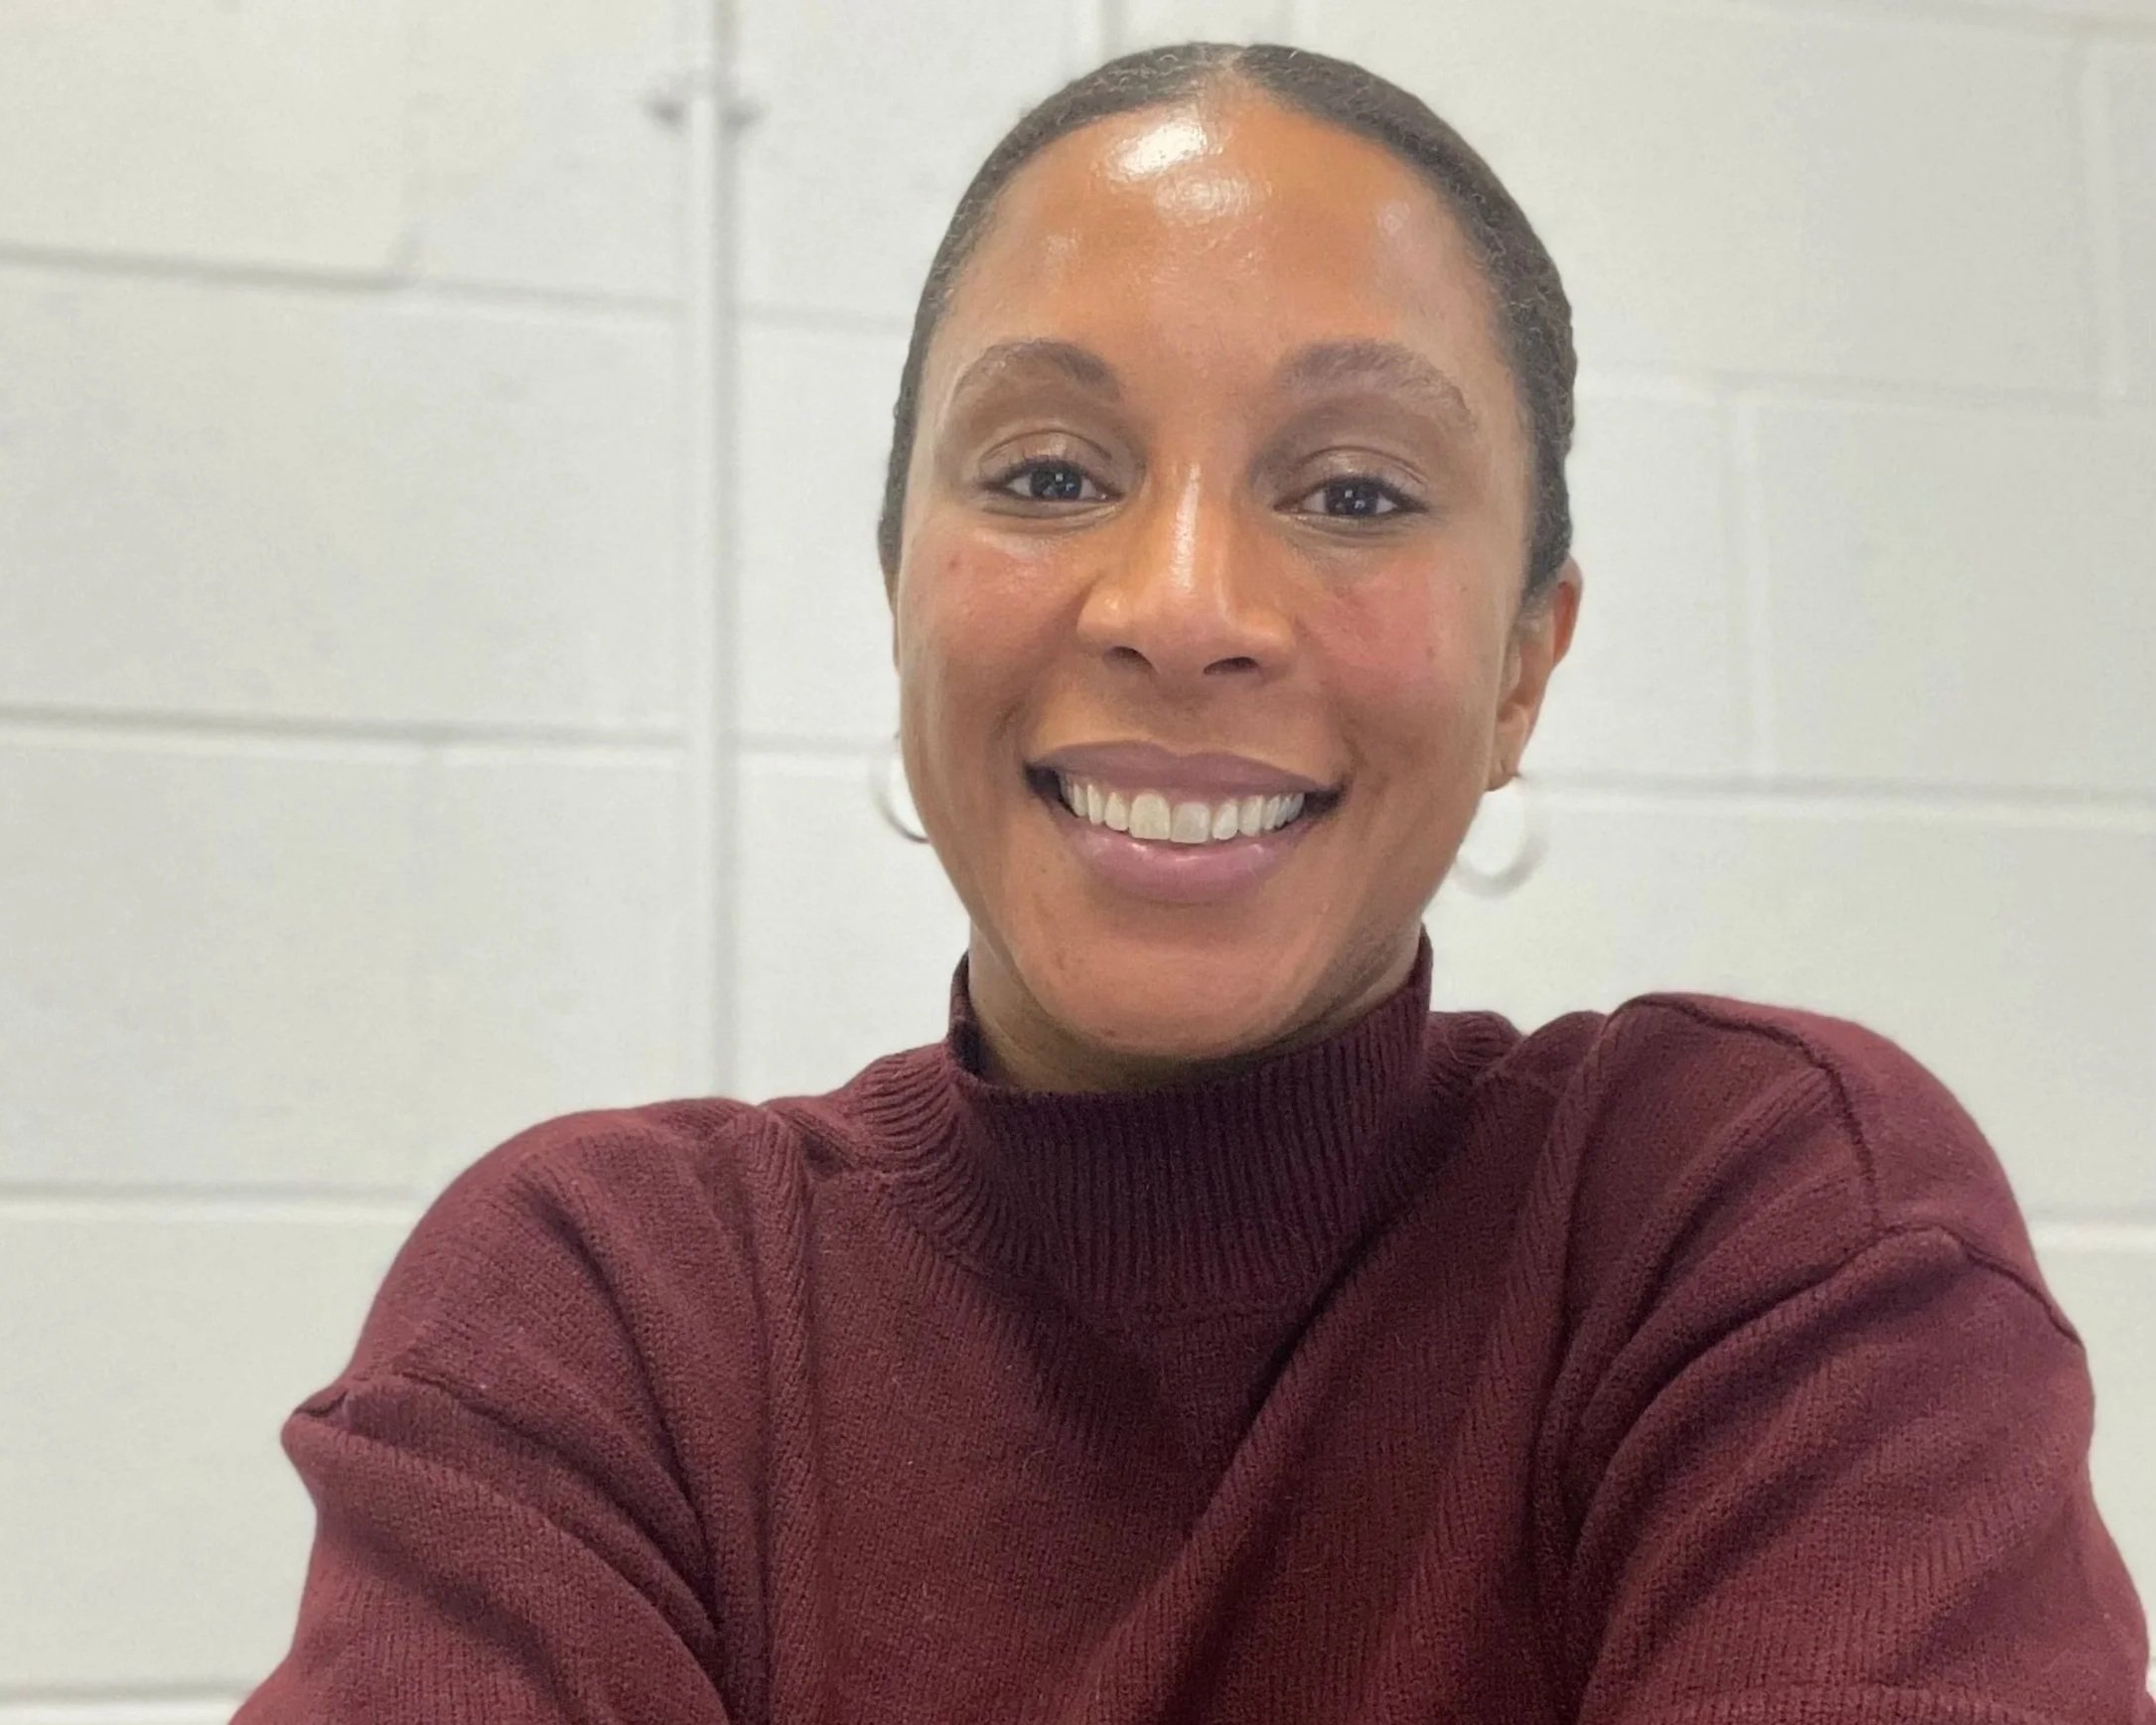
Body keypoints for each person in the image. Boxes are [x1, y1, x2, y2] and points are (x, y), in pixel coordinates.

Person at [234, 41, 2152, 1724]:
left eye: (1356, 492)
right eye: (1054, 472)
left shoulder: (1762, 1233)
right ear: (898, 589)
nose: (1183, 611)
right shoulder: (601, 1320)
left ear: (1521, 669)